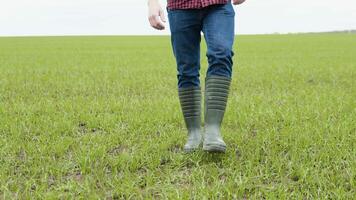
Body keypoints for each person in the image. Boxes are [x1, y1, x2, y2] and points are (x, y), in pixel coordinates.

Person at [147, 0, 245, 153]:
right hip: (180, 7)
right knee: (186, 69)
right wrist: (152, 3)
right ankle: (194, 132)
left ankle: (213, 131)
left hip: (218, 5)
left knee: (221, 54)